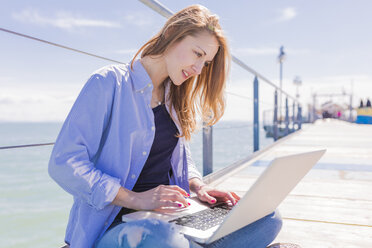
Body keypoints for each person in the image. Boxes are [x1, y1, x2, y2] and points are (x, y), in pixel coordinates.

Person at [49, 5, 282, 248]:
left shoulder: (175, 97)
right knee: (166, 240)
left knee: (267, 217)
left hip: (174, 218)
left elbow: (181, 158)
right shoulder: (109, 82)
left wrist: (199, 187)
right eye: (197, 53)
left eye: (206, 62)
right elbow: (64, 162)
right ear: (172, 34)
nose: (199, 69)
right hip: (119, 226)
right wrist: (135, 199)